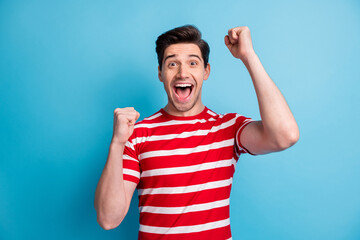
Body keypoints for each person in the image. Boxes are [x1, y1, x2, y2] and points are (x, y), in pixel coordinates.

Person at [94, 25, 299, 239]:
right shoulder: (138, 134)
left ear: (206, 71)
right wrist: (117, 144)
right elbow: (109, 219)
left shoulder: (228, 129)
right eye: (172, 64)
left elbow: (286, 136)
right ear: (160, 73)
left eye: (193, 63)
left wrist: (248, 56)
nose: (183, 73)